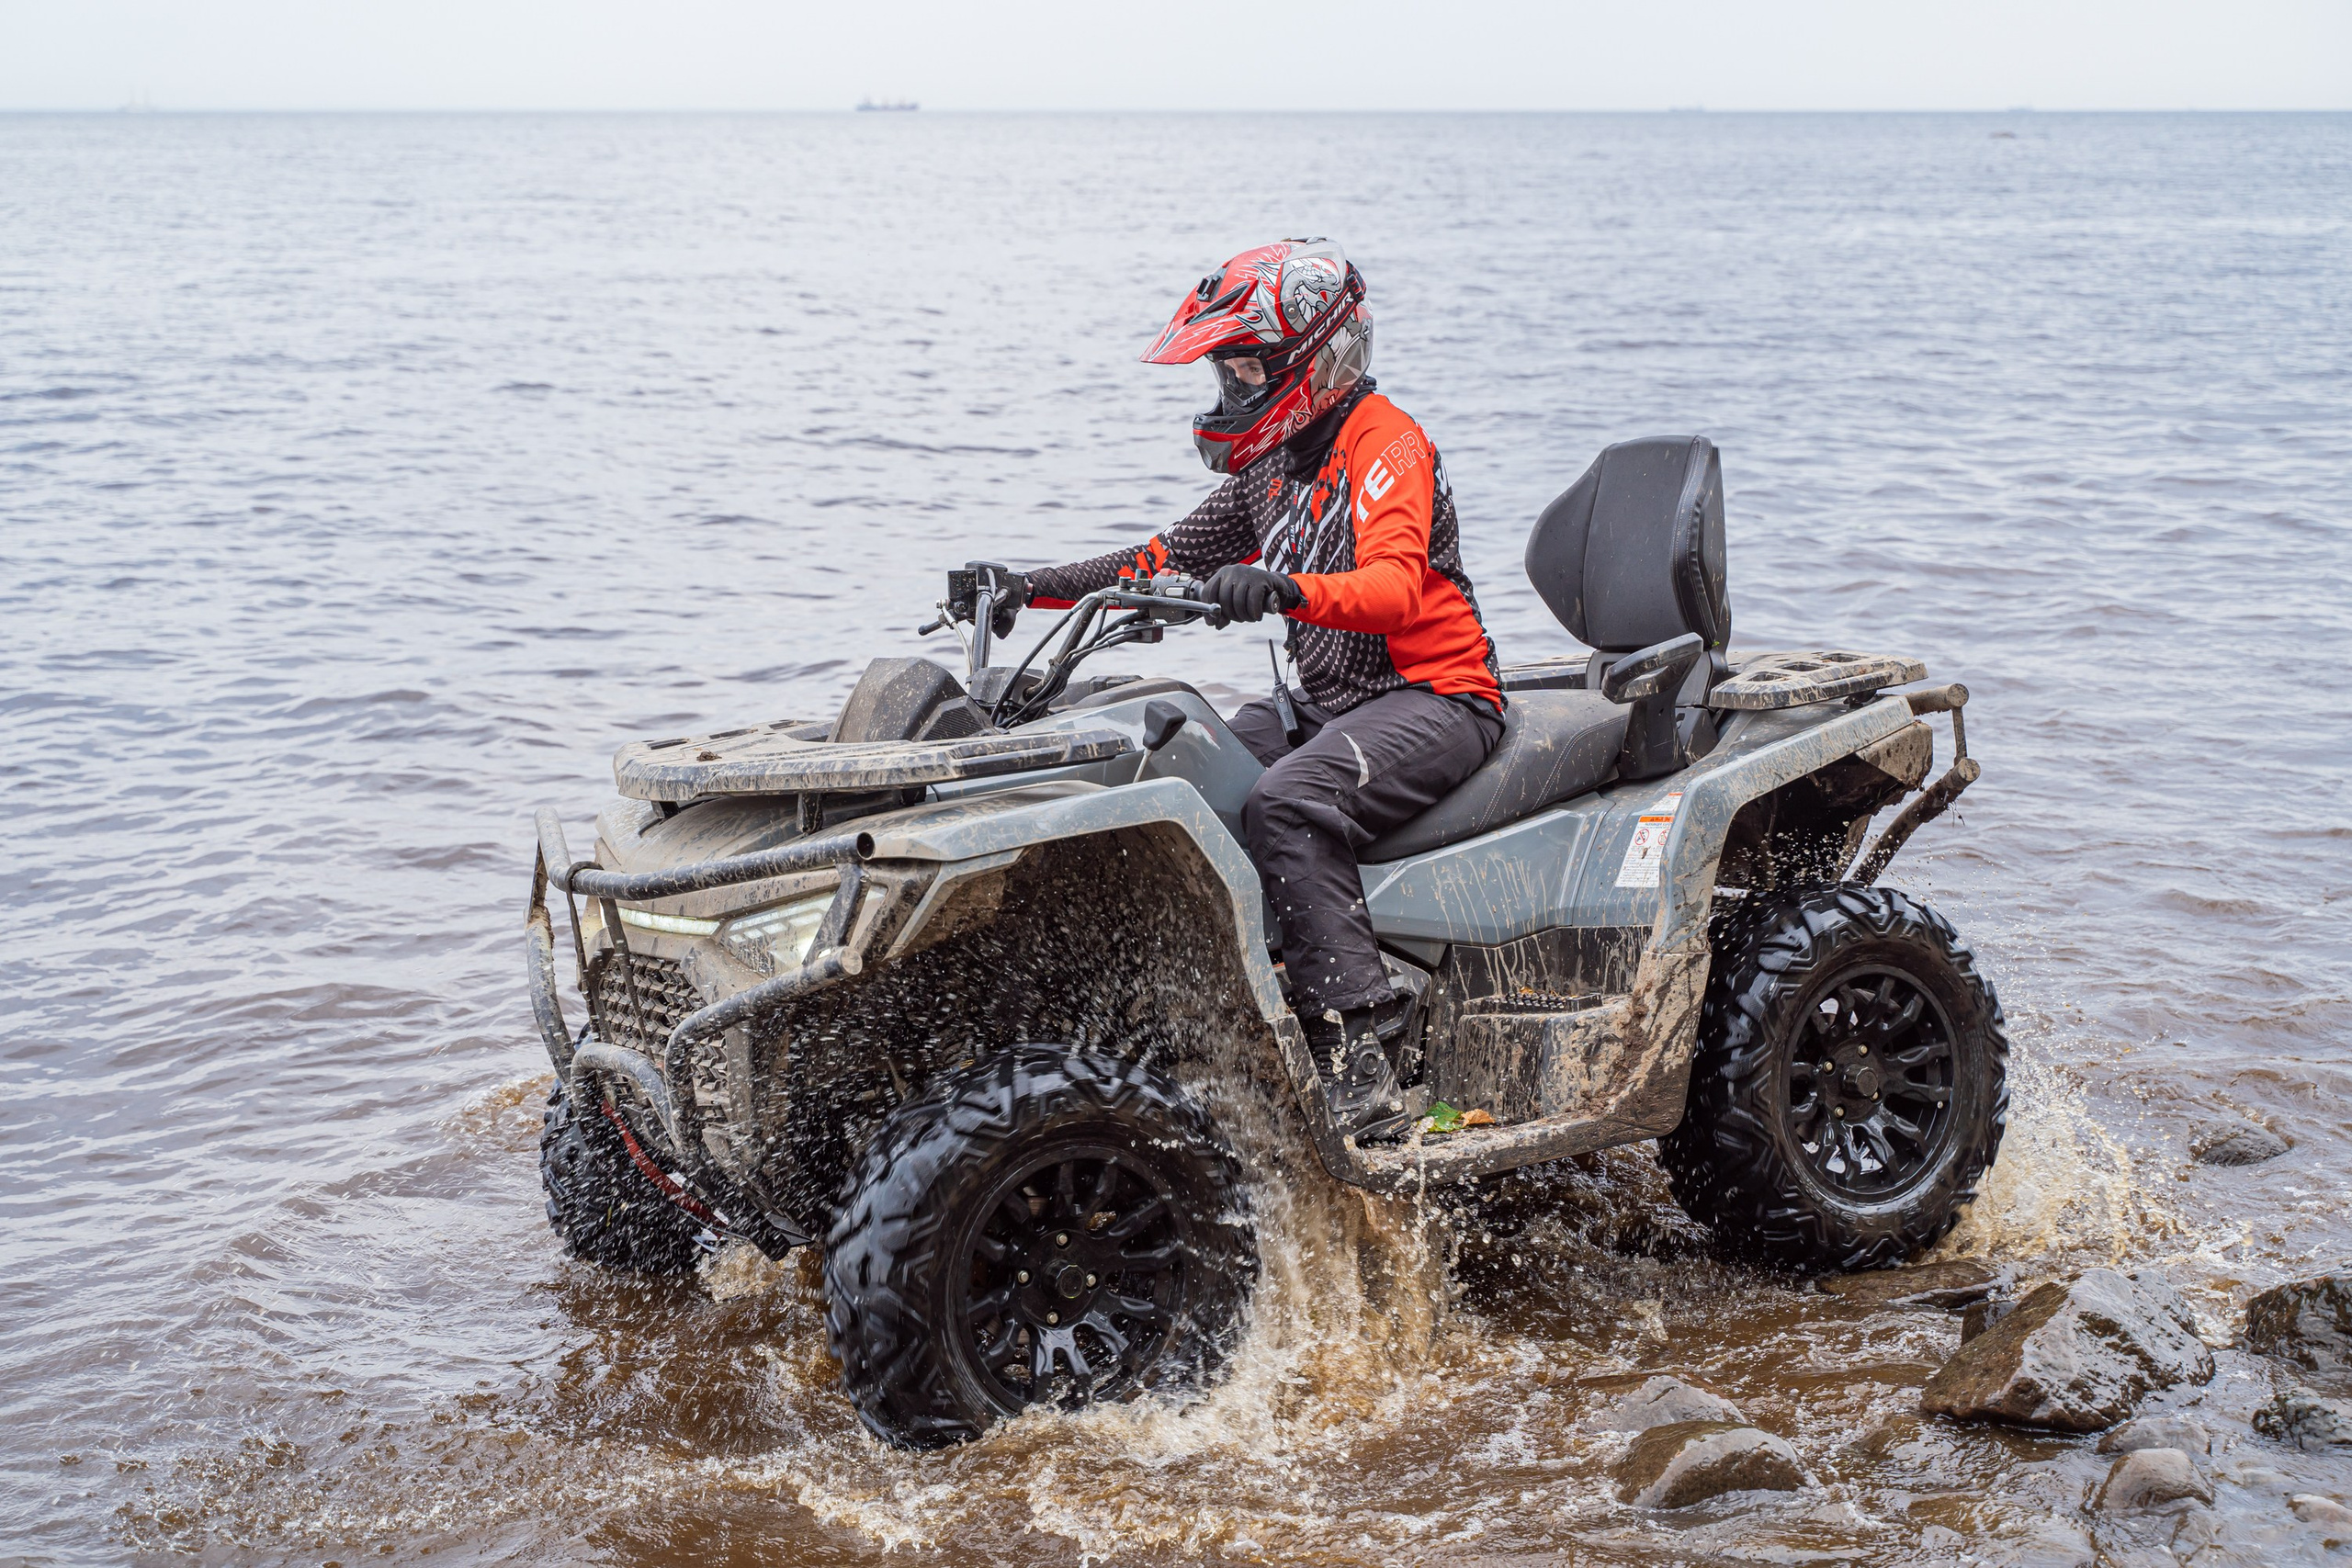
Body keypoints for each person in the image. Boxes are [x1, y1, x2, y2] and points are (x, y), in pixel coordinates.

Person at [1012, 239, 1504, 1141]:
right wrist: (1023, 584)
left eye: (1247, 368)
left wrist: (1285, 590)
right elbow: (1157, 560)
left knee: (1286, 801)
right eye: (1226, 371)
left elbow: (1396, 587)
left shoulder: (1385, 443)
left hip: (1435, 694)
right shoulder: (1269, 467)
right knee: (1181, 772)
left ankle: (1362, 1061)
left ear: (1316, 358)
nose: (1233, 389)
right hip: (1325, 702)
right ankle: (1236, 996)